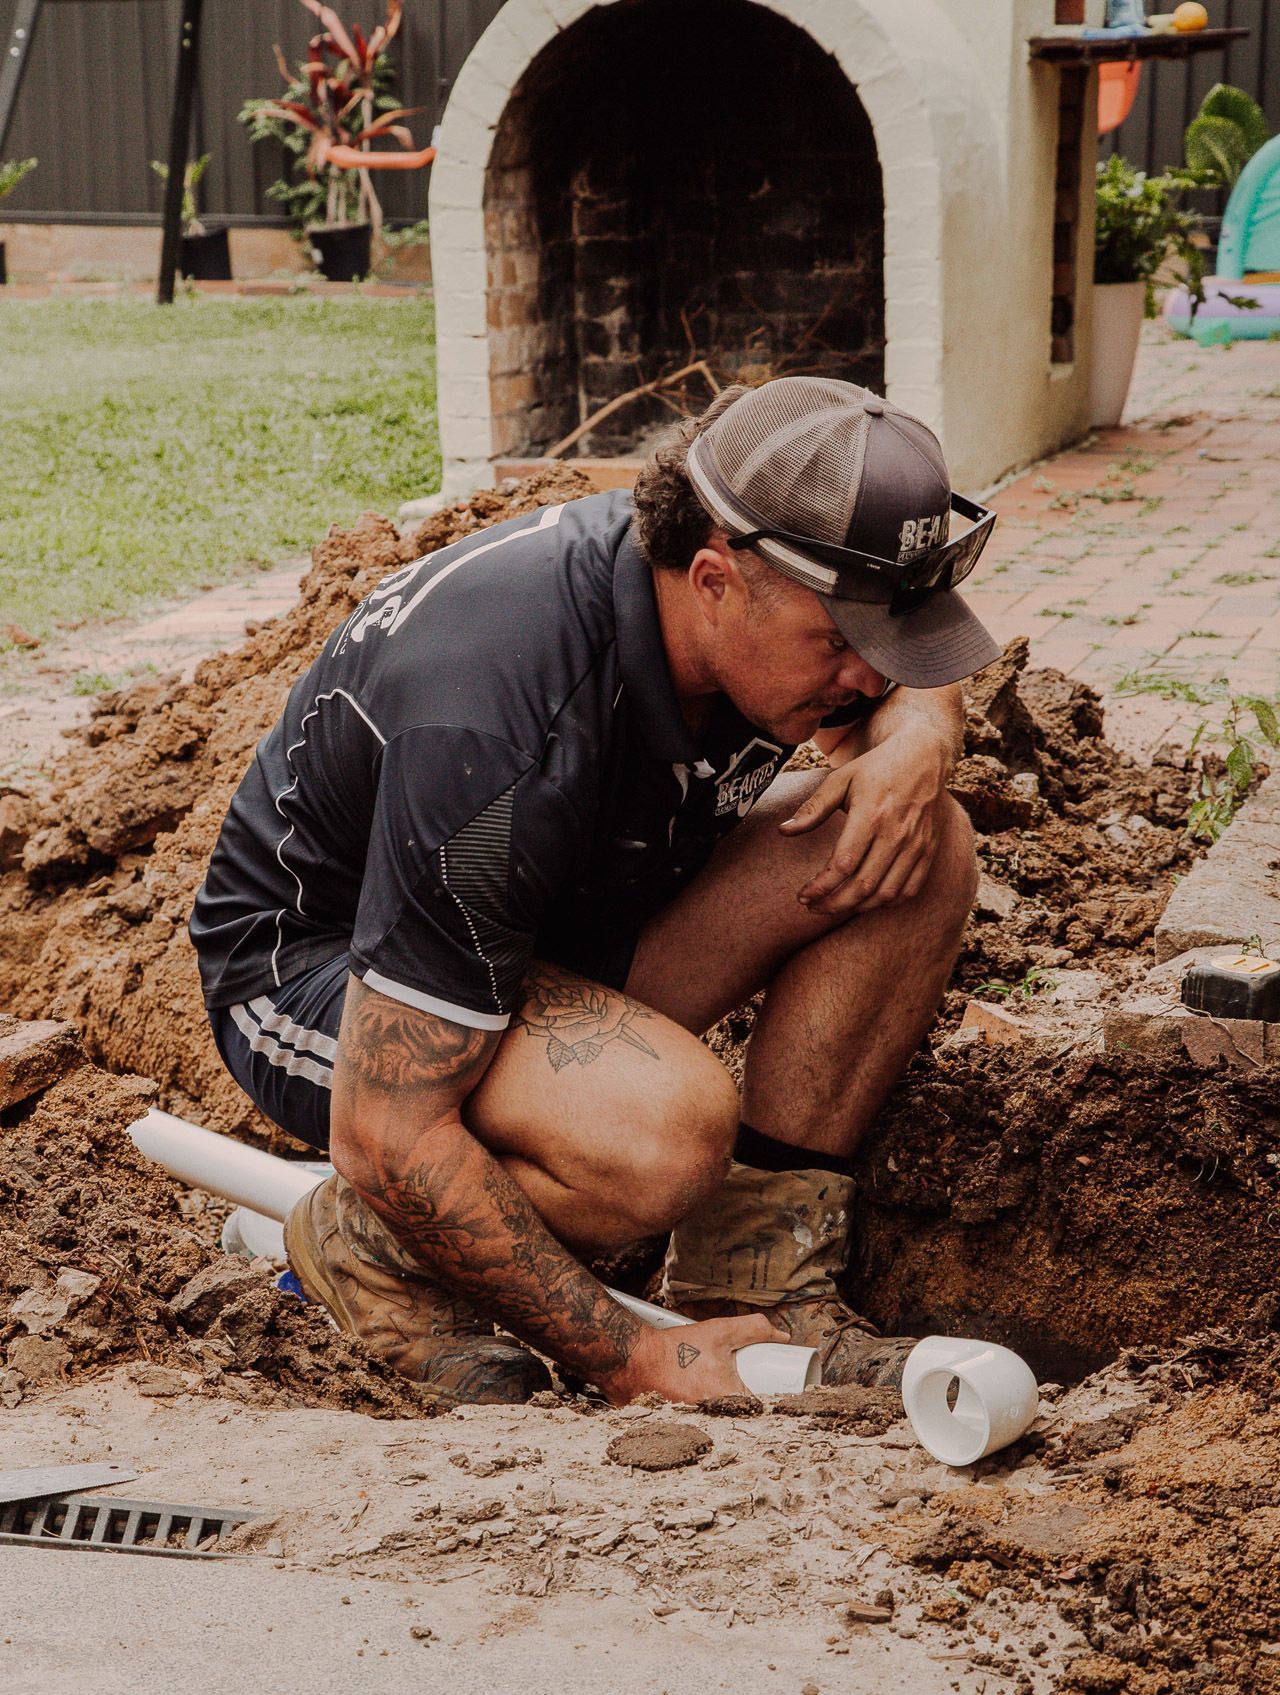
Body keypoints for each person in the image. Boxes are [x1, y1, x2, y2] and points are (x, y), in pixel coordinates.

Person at [190, 376, 998, 1409]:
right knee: (659, 1134)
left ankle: (754, 1279)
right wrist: (631, 1356)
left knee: (918, 846)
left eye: (889, 645)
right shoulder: (493, 733)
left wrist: (922, 735)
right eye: (842, 645)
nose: (867, 681)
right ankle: (366, 1247)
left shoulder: (736, 602)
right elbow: (385, 1128)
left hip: (547, 915)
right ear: (713, 580)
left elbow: (907, 668)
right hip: (328, 979)